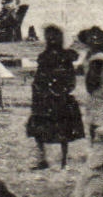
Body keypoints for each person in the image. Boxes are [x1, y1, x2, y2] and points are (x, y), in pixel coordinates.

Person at [26, 25, 84, 170]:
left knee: (63, 131)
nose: (51, 39)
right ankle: (43, 159)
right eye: (48, 36)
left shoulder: (66, 56)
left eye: (54, 36)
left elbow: (71, 78)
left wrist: (62, 91)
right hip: (44, 98)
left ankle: (64, 162)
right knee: (38, 129)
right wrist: (39, 90)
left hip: (60, 98)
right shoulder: (44, 56)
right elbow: (39, 76)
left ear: (60, 38)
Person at [77, 27, 103, 142]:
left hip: (100, 94)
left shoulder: (98, 57)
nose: (94, 40)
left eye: (97, 38)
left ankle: (97, 149)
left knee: (98, 124)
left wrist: (90, 90)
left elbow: (92, 81)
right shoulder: (97, 54)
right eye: (91, 37)